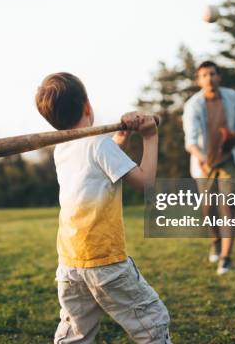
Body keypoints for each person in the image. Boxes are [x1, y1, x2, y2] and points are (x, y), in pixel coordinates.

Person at [35, 72, 172, 343]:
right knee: (153, 322)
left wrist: (120, 138)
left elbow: (98, 169)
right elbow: (145, 183)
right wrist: (150, 136)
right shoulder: (99, 145)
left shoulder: (62, 149)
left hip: (71, 263)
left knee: (77, 332)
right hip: (105, 262)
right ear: (87, 106)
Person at [182, 61, 235, 275]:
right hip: (203, 163)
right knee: (209, 209)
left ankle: (226, 257)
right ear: (198, 80)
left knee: (229, 206)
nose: (209, 78)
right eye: (204, 75)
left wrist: (233, 135)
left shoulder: (232, 97)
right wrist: (202, 159)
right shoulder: (193, 105)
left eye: (212, 74)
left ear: (219, 77)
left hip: (228, 161)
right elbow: (190, 140)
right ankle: (215, 241)